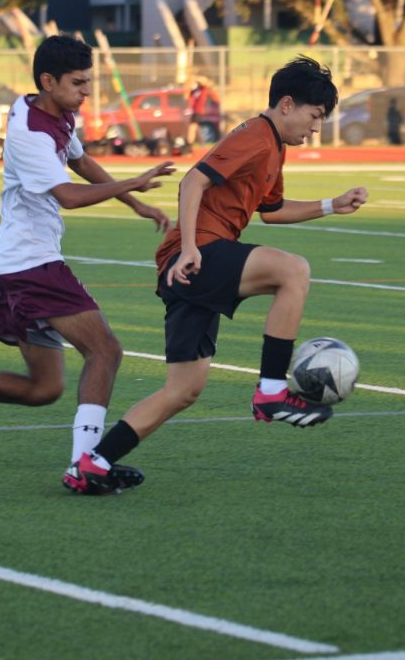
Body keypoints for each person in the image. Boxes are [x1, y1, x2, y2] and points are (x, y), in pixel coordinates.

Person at [64, 57, 369, 495]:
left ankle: (92, 464)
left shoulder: (273, 147)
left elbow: (273, 211)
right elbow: (192, 183)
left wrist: (330, 205)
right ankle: (269, 391)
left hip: (192, 263)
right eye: (314, 116)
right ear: (287, 104)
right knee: (294, 271)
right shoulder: (256, 136)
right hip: (196, 255)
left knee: (183, 389)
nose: (315, 128)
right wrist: (189, 247)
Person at [0, 35, 176, 489]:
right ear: (48, 81)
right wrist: (135, 182)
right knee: (106, 351)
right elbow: (68, 195)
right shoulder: (30, 132)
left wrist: (135, 202)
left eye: (89, 82)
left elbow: (80, 162)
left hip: (21, 264)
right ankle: (87, 466)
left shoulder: (52, 110)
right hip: (33, 263)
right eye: (79, 83)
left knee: (44, 389)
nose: (87, 92)